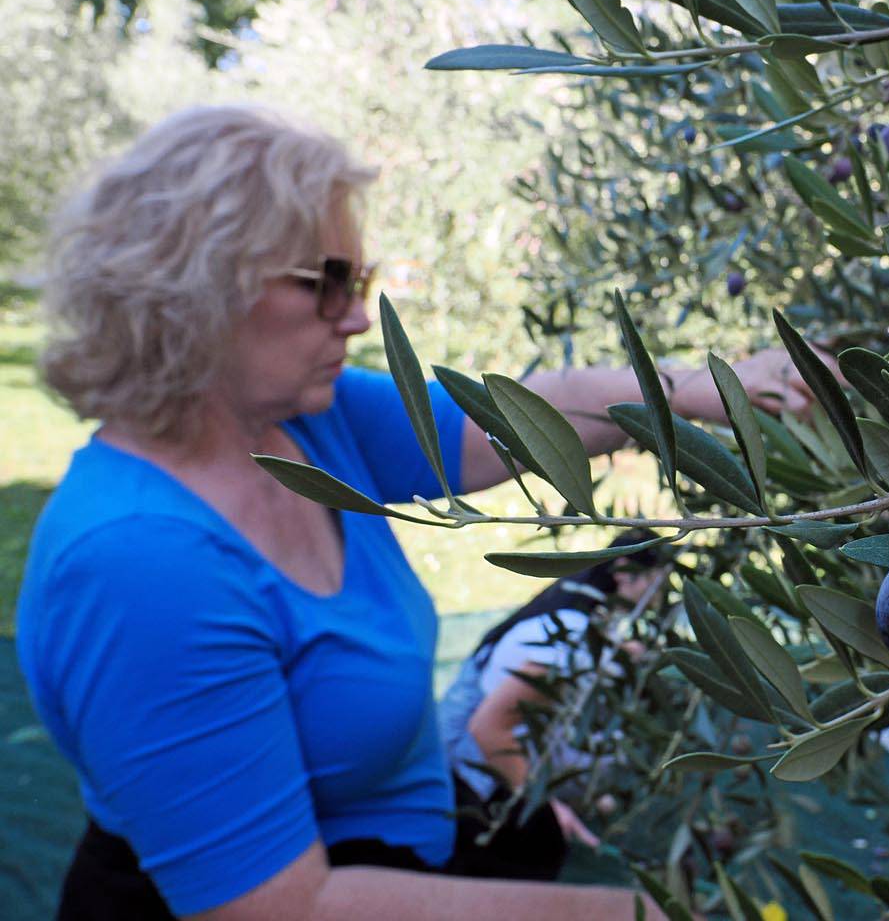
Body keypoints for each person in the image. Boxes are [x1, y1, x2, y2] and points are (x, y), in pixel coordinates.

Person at [17, 105, 822, 920]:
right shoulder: (139, 565)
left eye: (359, 283)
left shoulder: (307, 423)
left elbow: (525, 419)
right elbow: (278, 909)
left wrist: (720, 389)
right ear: (196, 287)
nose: (360, 316)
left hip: (397, 854)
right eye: (327, 281)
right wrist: (631, 913)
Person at [437, 532, 666, 881]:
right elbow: (488, 730)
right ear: (624, 570)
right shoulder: (568, 638)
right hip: (468, 794)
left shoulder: (573, 620)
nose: (661, 596)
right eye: (658, 581)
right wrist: (544, 807)